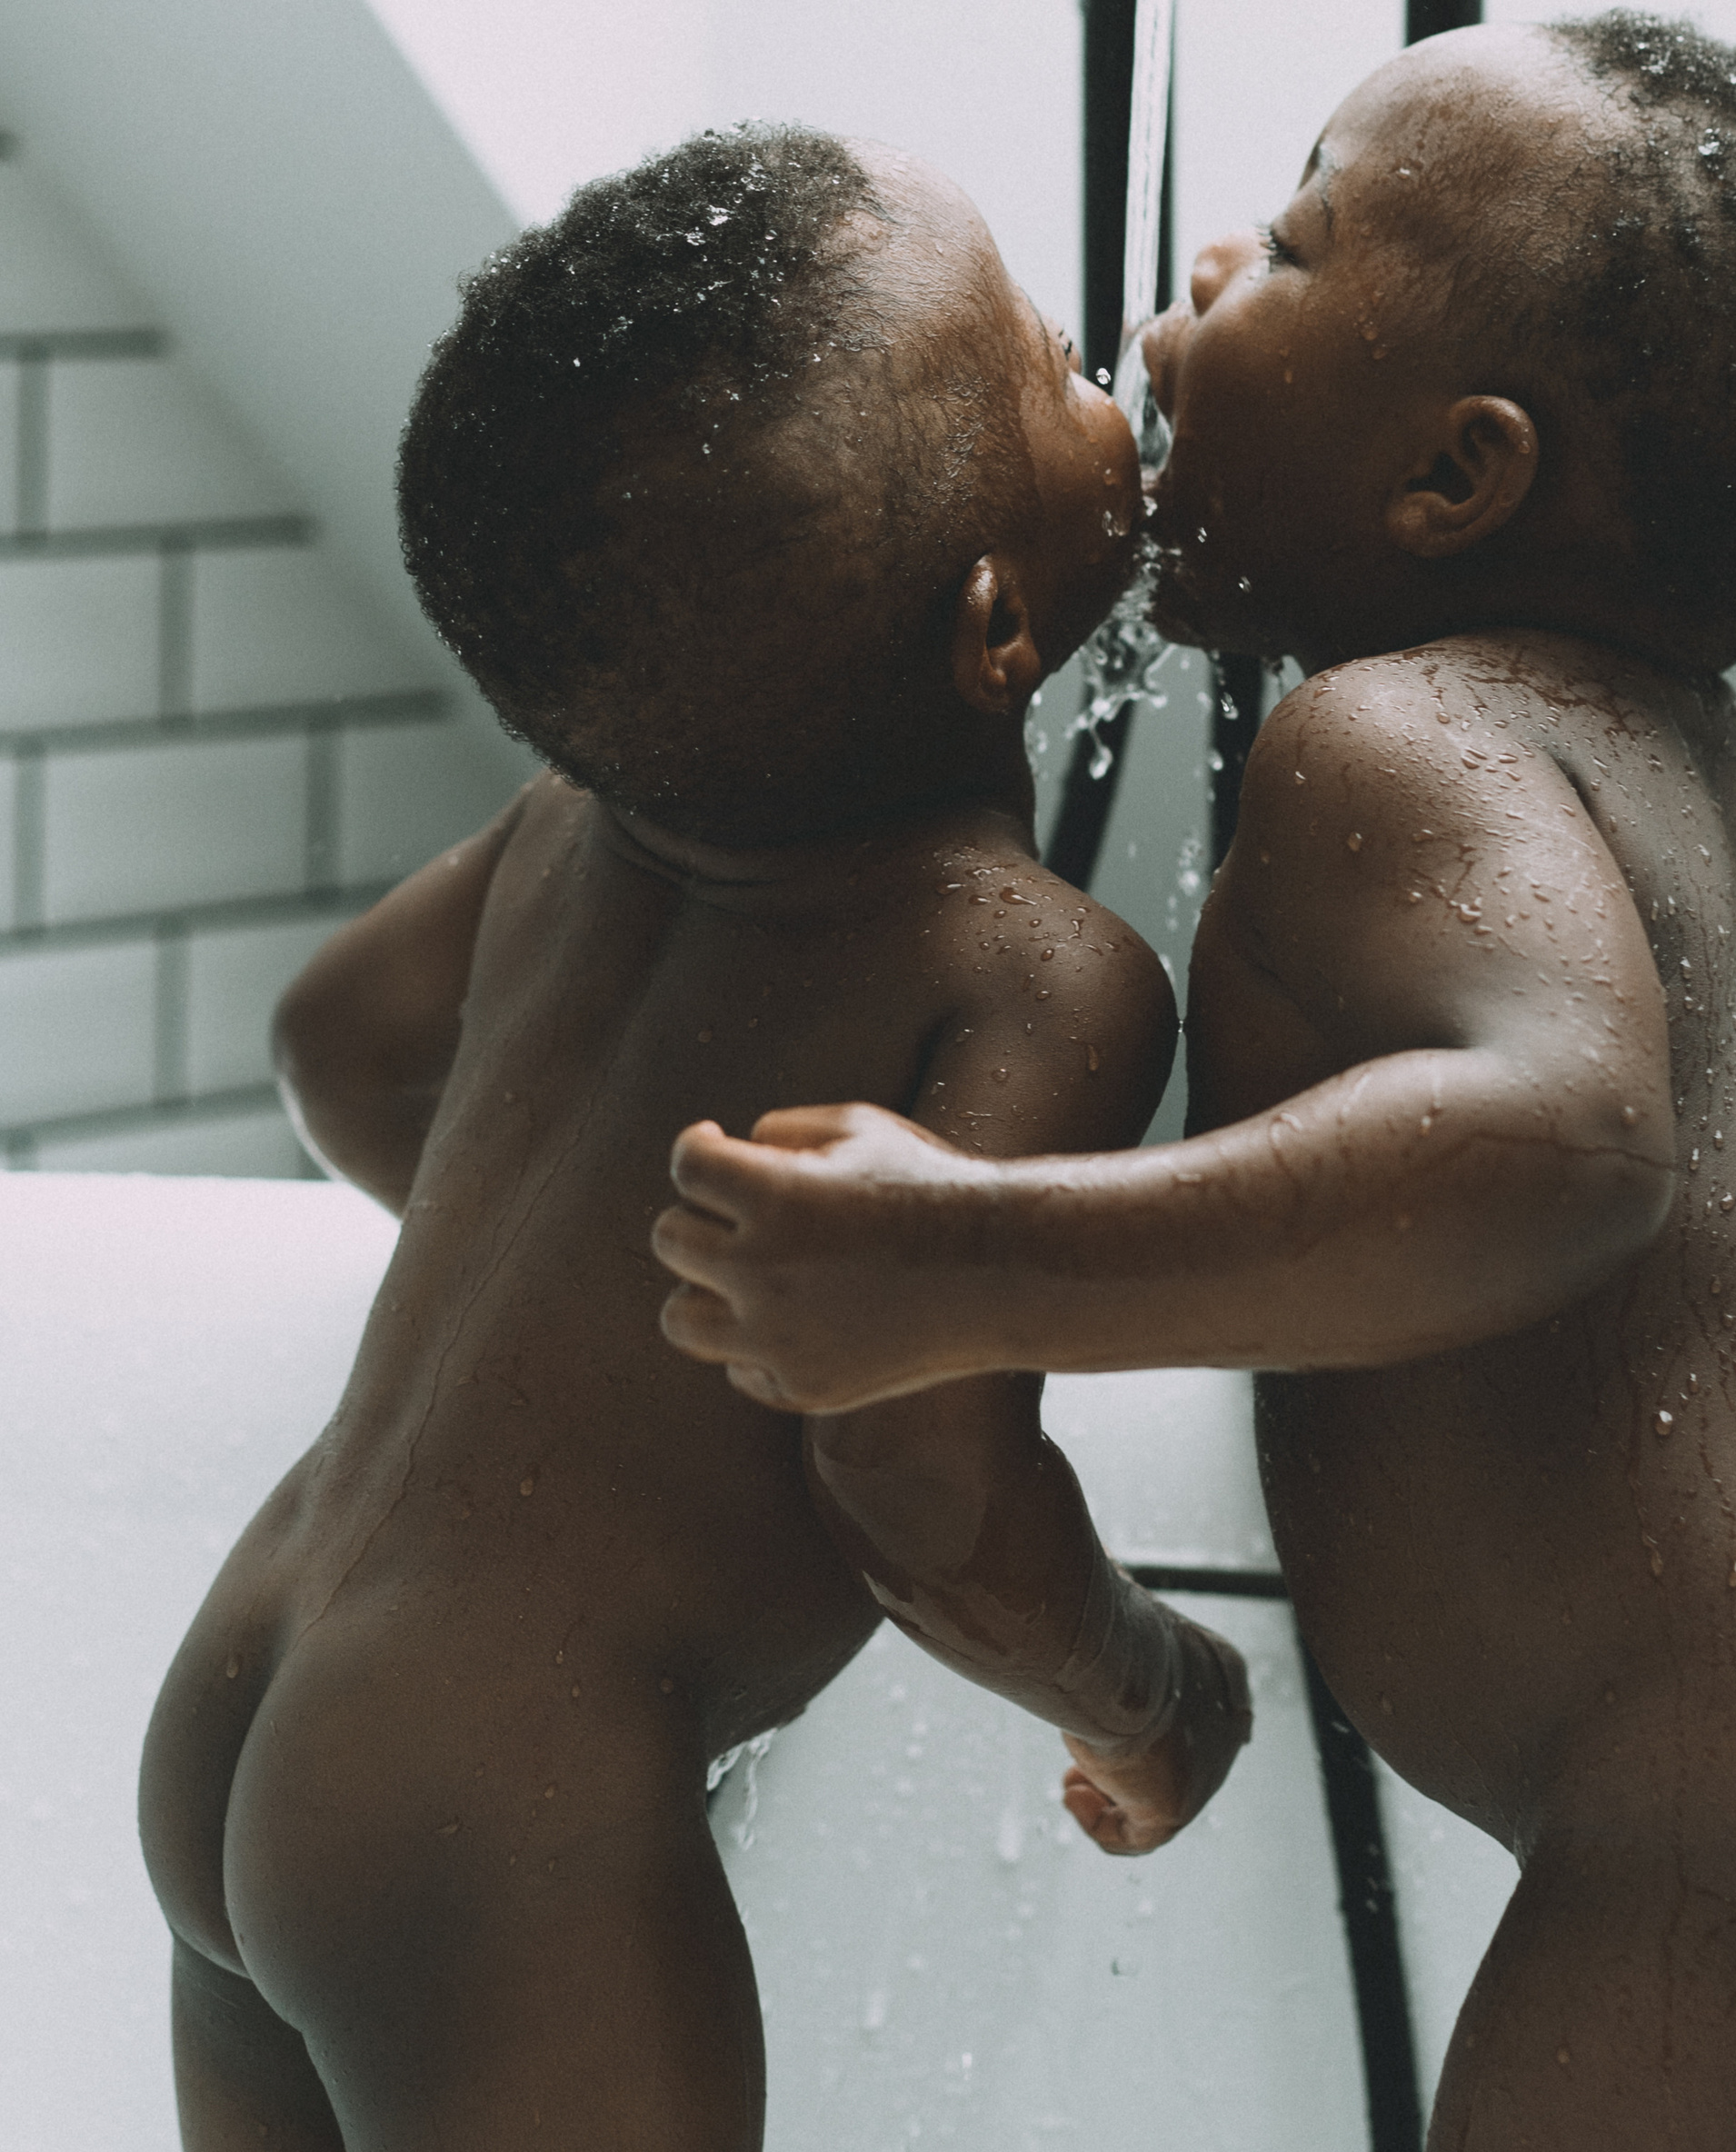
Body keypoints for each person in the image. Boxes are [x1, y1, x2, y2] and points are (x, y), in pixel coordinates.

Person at [655, 22, 1736, 2150]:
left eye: (1287, 237)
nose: (1197, 263)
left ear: (1450, 481)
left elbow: (1568, 1143)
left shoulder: (1393, 733)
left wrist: (968, 1260)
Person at [138, 125, 1251, 2152]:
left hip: (251, 1678)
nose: (1116, 384)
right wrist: (1149, 1698)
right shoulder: (1030, 971)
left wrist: (569, 1307)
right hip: (500, 1811)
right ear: (999, 627)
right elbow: (919, 1475)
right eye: (1054, 366)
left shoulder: (581, 816)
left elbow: (344, 1047)